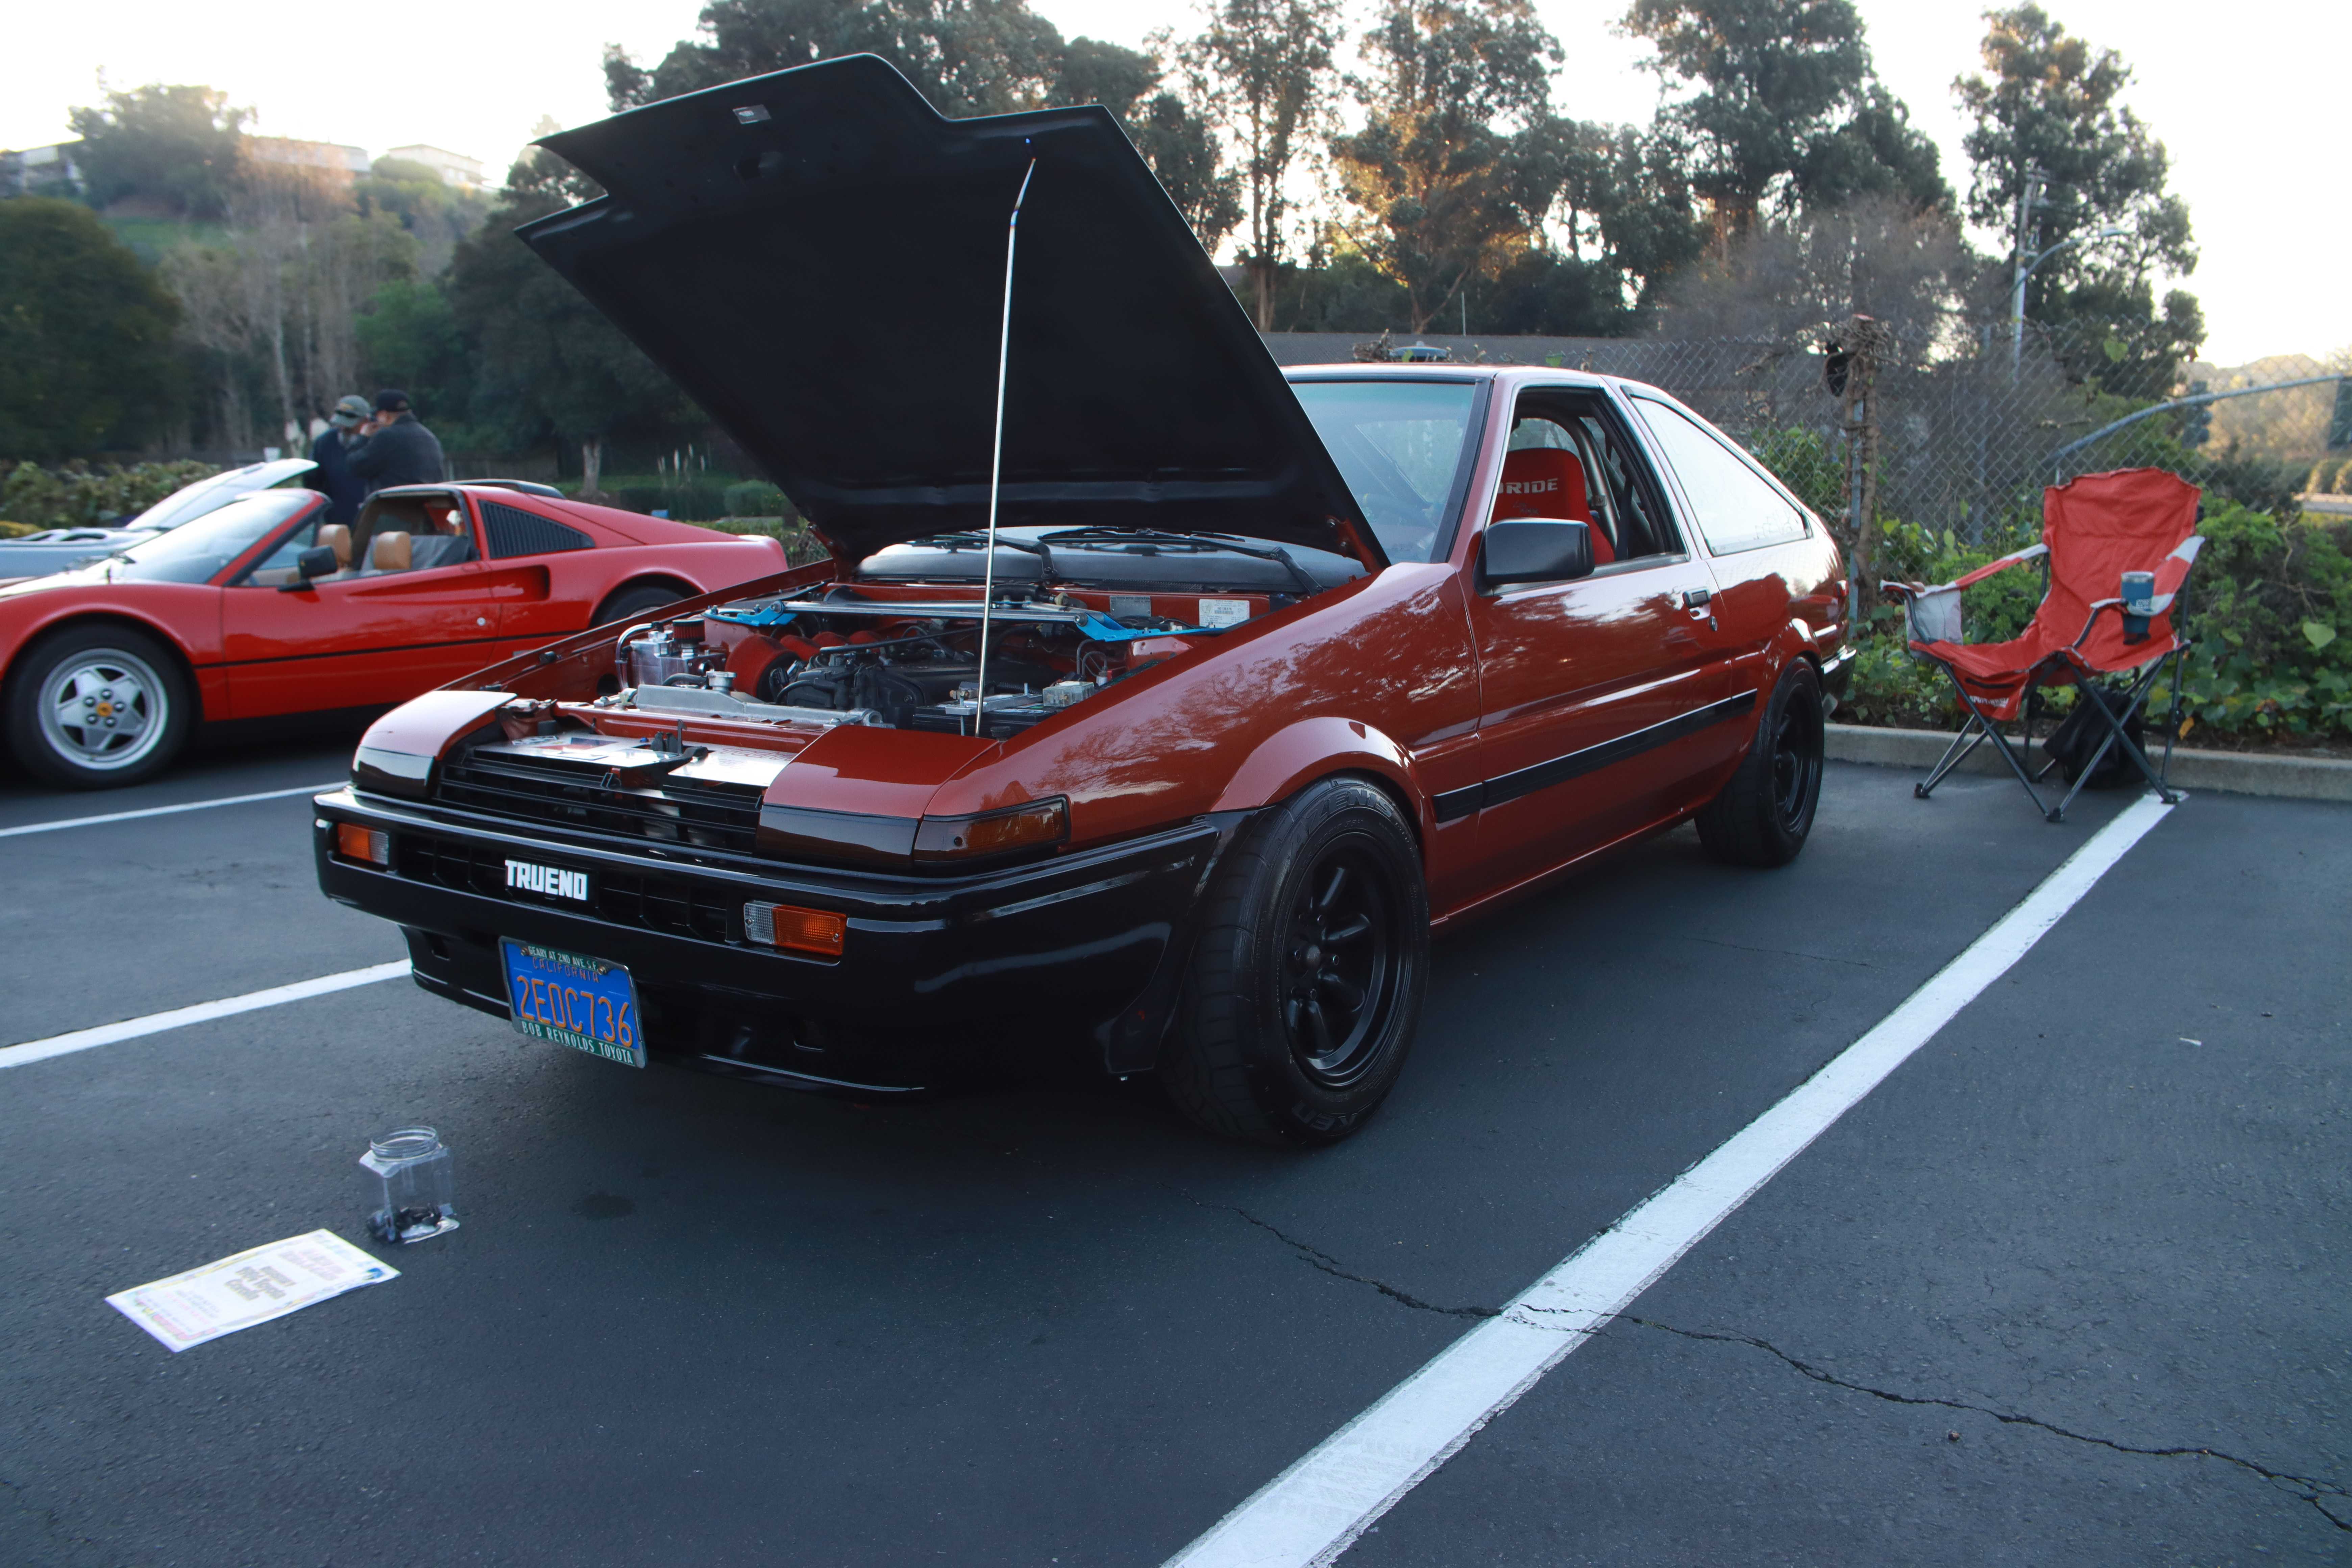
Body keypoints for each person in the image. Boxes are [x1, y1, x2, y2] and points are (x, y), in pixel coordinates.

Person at [347, 389, 447, 494]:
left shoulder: (387, 436)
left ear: (384, 415)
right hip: (426, 505)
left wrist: (364, 437)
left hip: (395, 506)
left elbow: (355, 467)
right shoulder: (429, 436)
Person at [304, 394, 372, 527]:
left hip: (369, 519)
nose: (344, 428)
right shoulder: (324, 442)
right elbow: (312, 480)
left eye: (350, 425)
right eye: (341, 423)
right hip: (335, 519)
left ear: (365, 421)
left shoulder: (376, 442)